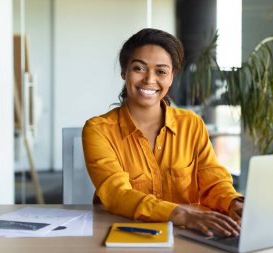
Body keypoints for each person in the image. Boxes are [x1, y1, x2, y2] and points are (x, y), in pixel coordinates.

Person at [82, 28, 244, 237]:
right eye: (139, 68)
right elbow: (117, 194)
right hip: (123, 233)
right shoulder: (98, 130)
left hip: (189, 234)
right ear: (124, 72)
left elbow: (213, 181)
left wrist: (233, 202)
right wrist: (183, 215)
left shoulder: (191, 125)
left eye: (161, 71)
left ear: (171, 77)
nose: (149, 80)